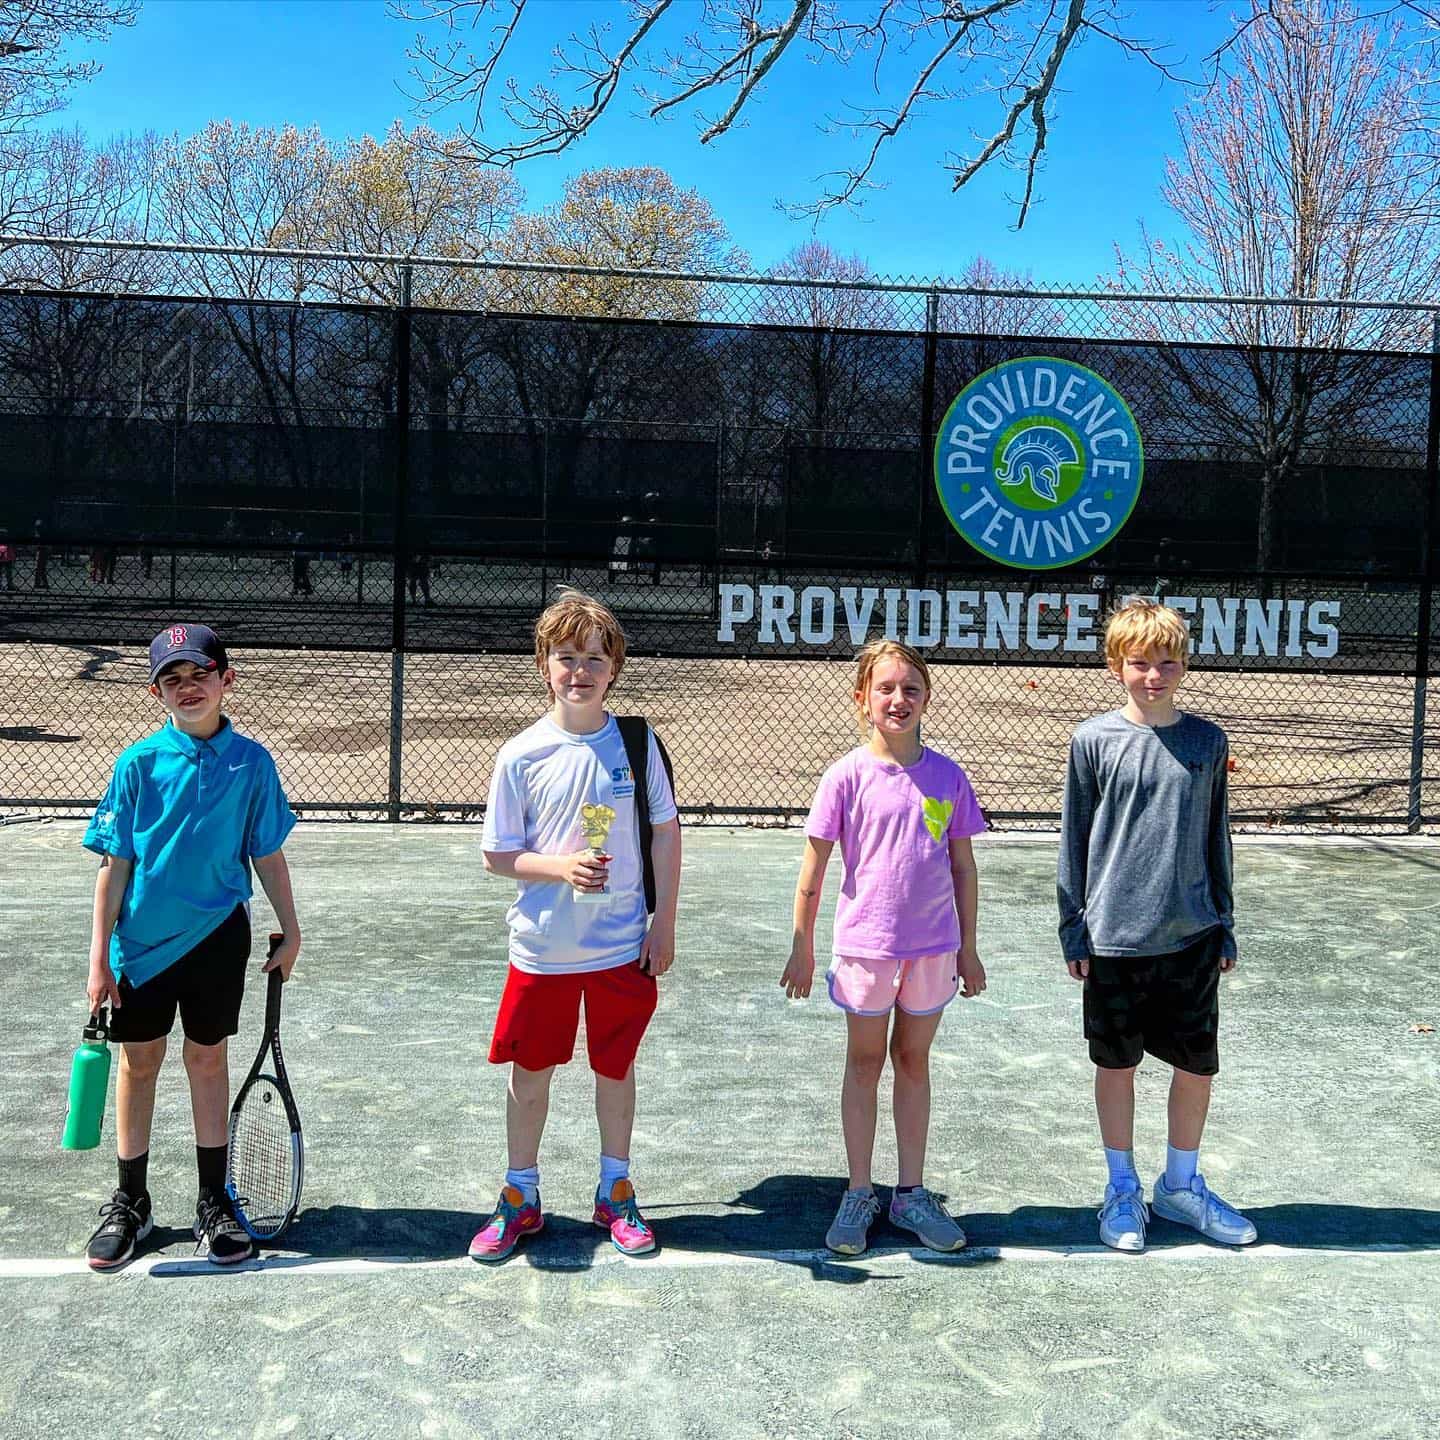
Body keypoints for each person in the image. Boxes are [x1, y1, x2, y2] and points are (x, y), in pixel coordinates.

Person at [81, 623, 302, 1271]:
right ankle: (131, 1201)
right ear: (156, 693)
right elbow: (114, 865)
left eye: (199, 673)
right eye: (171, 679)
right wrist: (99, 958)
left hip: (217, 941)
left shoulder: (252, 763)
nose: (188, 688)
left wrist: (292, 926)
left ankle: (214, 1200)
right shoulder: (137, 765)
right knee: (138, 1063)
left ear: (226, 680)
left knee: (207, 1062)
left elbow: (268, 851)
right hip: (140, 947)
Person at [474, 590, 680, 1263]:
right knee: (530, 1074)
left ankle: (615, 1190)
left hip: (621, 944)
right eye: (566, 658)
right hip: (543, 951)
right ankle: (519, 1195)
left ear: (613, 668)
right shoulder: (521, 755)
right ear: (544, 665)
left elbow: (664, 834)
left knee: (614, 1069)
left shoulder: (636, 743)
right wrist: (561, 868)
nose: (580, 671)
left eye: (594, 658)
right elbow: (497, 854)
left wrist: (664, 922)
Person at [1058, 599, 1255, 1254]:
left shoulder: (1207, 741)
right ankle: (1121, 1188)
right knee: (1116, 1066)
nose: (1154, 674)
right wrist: (1073, 927)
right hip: (1113, 938)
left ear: (1183, 665)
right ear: (1117, 666)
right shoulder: (1091, 741)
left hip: (1192, 936)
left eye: (1166, 662)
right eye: (1140, 662)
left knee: (1196, 1067)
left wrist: (1223, 921)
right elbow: (1075, 839)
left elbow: (1215, 837)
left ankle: (1179, 1185)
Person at [781, 639, 987, 1256]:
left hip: (933, 951)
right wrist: (803, 947)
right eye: (886, 689)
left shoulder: (948, 777)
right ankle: (860, 1191)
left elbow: (964, 869)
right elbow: (812, 870)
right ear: (862, 700)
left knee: (914, 1062)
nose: (899, 700)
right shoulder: (845, 776)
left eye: (911, 689)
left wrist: (968, 949)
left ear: (927, 698)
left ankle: (911, 1193)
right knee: (865, 1063)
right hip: (866, 949)